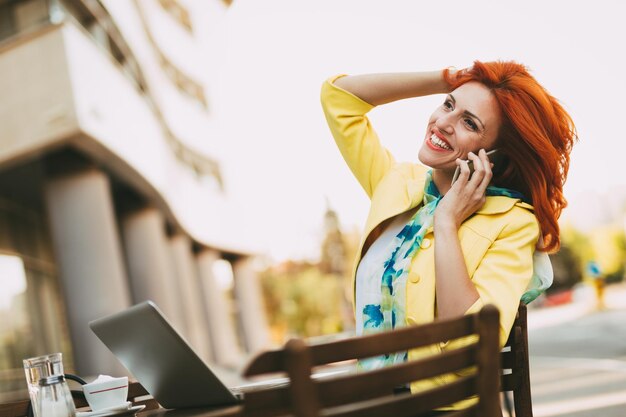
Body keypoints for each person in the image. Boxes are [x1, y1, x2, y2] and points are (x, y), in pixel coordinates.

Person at [320, 61, 577, 409]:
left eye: (469, 123)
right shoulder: (396, 183)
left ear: (496, 157)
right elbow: (339, 99)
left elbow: (469, 347)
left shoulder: (513, 222)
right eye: (448, 104)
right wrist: (445, 79)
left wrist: (446, 222)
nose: (442, 123)